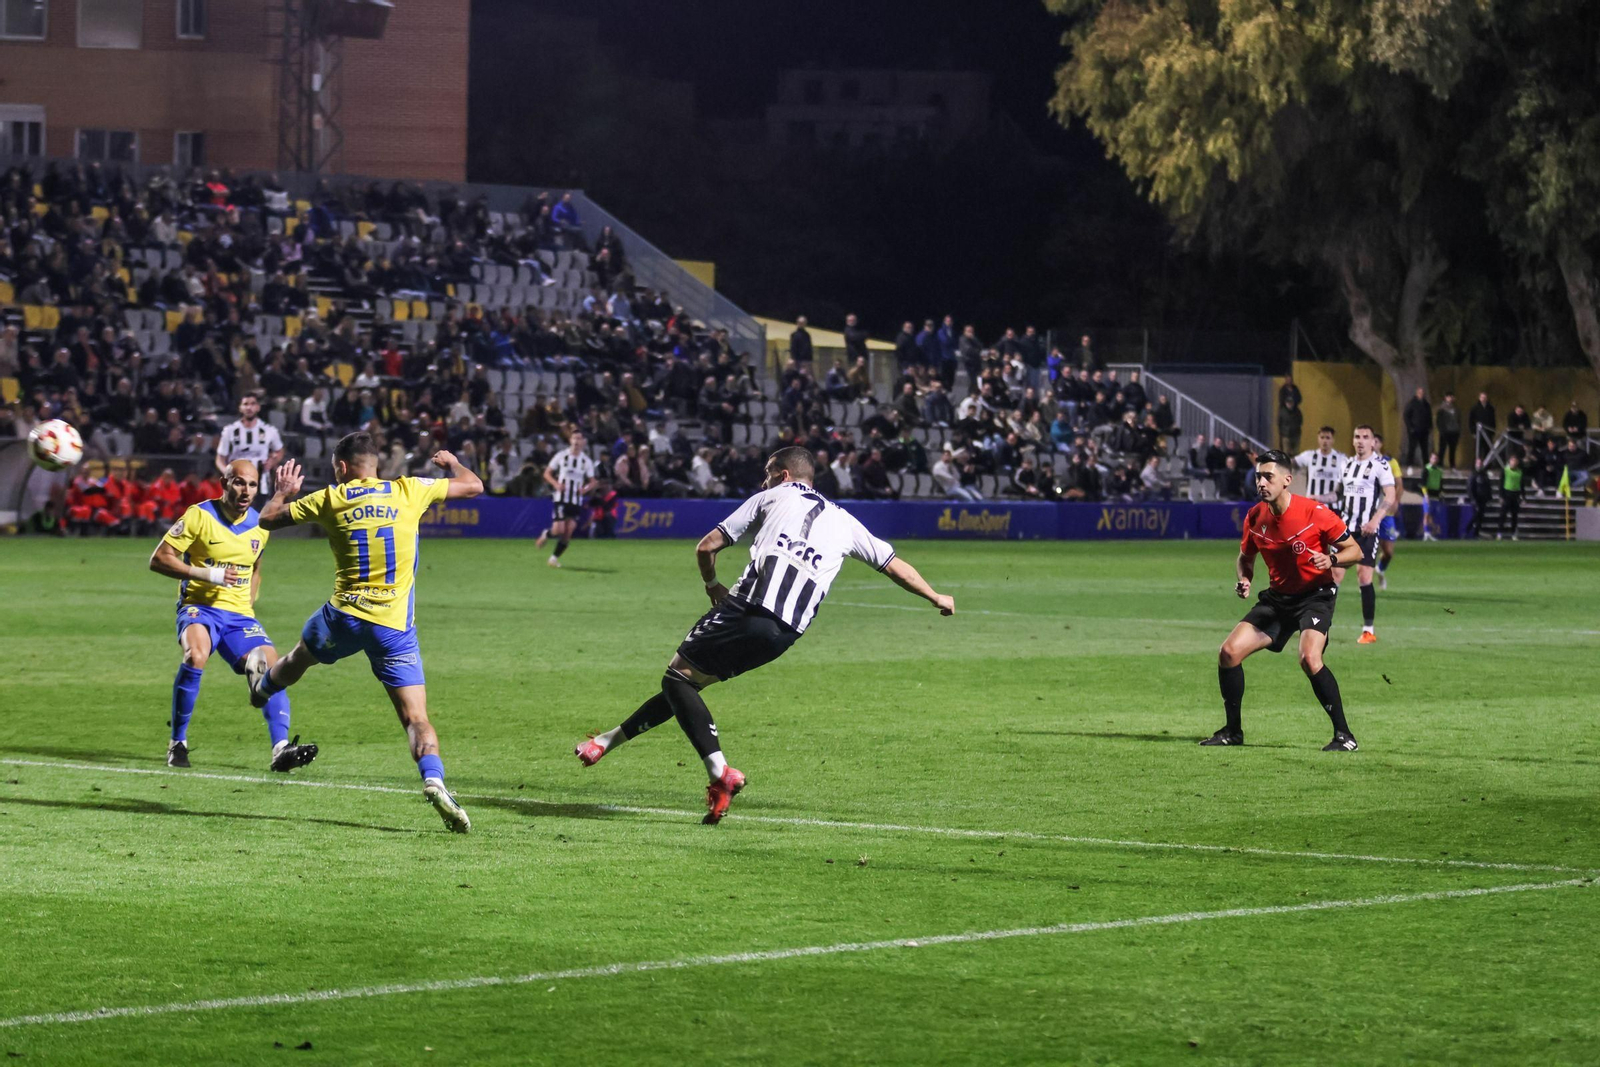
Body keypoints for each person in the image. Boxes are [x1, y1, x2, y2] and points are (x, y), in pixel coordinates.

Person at [572, 447, 955, 823]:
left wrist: (712, 586)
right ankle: (605, 742)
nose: (764, 479)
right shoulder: (847, 521)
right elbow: (893, 566)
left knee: (676, 679)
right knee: (686, 686)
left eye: (769, 472)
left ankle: (720, 772)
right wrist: (936, 595)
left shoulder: (770, 496)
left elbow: (706, 547)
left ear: (784, 476)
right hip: (785, 633)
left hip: (749, 607)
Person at [246, 433, 484, 833]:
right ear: (376, 464)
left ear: (340, 467)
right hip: (393, 628)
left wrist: (282, 491)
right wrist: (453, 464)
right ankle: (434, 779)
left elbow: (267, 520)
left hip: (343, 618)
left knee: (300, 657)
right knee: (415, 717)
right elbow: (474, 485)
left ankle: (263, 688)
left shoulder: (330, 498)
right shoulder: (408, 490)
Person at [147, 460, 317, 772]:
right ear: (224, 483)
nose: (246, 491)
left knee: (273, 667)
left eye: (252, 485)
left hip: (238, 616)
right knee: (195, 656)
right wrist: (206, 573)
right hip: (199, 608)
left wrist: (247, 606)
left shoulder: (259, 524)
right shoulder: (199, 515)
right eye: (239, 482)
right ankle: (178, 742)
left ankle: (281, 749)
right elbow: (158, 559)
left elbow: (256, 569)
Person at [1205, 450, 1363, 751]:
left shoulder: (1315, 512)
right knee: (1228, 653)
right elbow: (1245, 557)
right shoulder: (1255, 517)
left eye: (1268, 476)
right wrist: (1245, 578)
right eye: (1258, 477)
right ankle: (1233, 732)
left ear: (1287, 480)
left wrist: (1331, 559)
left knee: (1309, 658)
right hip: (1278, 599)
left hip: (1315, 597)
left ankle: (1344, 735)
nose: (1261, 482)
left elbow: (1355, 551)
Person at [1331, 425, 1396, 644]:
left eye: (1365, 437)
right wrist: (1316, 498)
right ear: (1352, 440)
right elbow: (1337, 494)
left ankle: (1368, 630)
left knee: (1364, 576)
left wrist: (1376, 520)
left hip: (1368, 531)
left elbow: (1391, 494)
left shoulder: (1380, 465)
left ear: (1372, 442)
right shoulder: (1346, 465)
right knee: (1334, 576)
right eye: (1357, 436)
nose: (1360, 441)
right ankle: (1321, 625)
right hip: (1345, 530)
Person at [535, 430, 598, 568]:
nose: (576, 441)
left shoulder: (586, 461)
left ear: (583, 442)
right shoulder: (561, 456)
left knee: (569, 531)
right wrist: (556, 484)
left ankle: (553, 558)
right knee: (559, 529)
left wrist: (584, 489)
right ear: (570, 440)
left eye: (579, 439)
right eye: (574, 438)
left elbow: (593, 482)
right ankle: (546, 534)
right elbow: (547, 473)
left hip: (576, 500)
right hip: (561, 498)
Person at [215, 394, 285, 500]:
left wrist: (272, 462)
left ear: (258, 407)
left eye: (253, 404)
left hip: (261, 482)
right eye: (245, 404)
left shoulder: (269, 430)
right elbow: (220, 458)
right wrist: (228, 473)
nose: (249, 407)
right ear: (240, 407)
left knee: (258, 514)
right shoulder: (230, 431)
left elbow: (280, 450)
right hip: (237, 482)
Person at [1370, 433, 1404, 589]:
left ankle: (1381, 570)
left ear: (1380, 444)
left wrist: (1396, 501)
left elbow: (1399, 485)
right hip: (1369, 513)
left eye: (1376, 441)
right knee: (1370, 549)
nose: (1373, 444)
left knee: (1388, 552)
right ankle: (1365, 582)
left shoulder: (1391, 462)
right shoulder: (1364, 463)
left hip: (1386, 512)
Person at [1293, 426, 1345, 503]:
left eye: (1328, 438)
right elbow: (1291, 462)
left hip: (1332, 507)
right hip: (1312, 505)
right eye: (1322, 437)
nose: (1324, 441)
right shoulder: (1309, 455)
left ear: (1333, 440)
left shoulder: (1341, 459)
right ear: (1318, 439)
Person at [1403, 388, 1432, 467]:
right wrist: (1410, 427)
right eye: (1419, 392)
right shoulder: (1412, 403)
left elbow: (1429, 416)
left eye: (1422, 393)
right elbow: (1406, 416)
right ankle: (1409, 465)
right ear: (1416, 393)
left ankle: (1426, 465)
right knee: (1412, 448)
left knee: (1424, 449)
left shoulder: (1426, 404)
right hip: (1414, 430)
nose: (1421, 394)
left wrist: (1429, 426)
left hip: (1424, 430)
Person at [1465, 459, 1494, 538]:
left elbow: (1488, 487)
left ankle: (1476, 533)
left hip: (1483, 499)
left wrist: (1489, 497)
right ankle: (1467, 530)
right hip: (1476, 499)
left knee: (1480, 517)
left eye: (1480, 463)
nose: (1479, 465)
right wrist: (1473, 499)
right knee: (1475, 516)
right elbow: (1470, 488)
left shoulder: (1484, 474)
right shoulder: (1473, 474)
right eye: (1478, 463)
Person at [1498, 454, 1524, 540]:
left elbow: (1521, 485)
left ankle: (1513, 533)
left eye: (1515, 461)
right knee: (1503, 515)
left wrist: (1523, 497)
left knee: (1514, 516)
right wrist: (1501, 496)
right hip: (1506, 494)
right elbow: (1501, 484)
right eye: (1512, 460)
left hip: (1515, 495)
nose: (1513, 462)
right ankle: (1499, 533)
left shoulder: (1520, 472)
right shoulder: (1505, 470)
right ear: (1509, 461)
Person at [1421, 453, 1444, 541]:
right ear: (1430, 459)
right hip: (1429, 495)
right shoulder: (1426, 469)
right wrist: (1425, 494)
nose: (1434, 460)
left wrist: (1441, 493)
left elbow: (1441, 483)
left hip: (1436, 496)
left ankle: (1431, 532)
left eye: (1436, 459)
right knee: (1426, 514)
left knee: (1433, 515)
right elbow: (1423, 483)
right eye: (1433, 458)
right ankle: (1426, 532)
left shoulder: (1439, 471)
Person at [1436, 393, 1461, 468]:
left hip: (1454, 431)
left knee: (1452, 449)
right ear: (1446, 398)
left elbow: (1459, 420)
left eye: (1452, 397)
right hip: (1445, 432)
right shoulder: (1442, 409)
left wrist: (1458, 429)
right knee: (1442, 449)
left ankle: (1452, 464)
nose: (1450, 399)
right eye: (1449, 397)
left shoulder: (1455, 408)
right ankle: (1440, 464)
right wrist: (1442, 430)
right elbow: (1439, 421)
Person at [1468, 392, 1497, 460]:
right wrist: (1473, 431)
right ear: (1479, 398)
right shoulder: (1474, 408)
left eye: (1485, 397)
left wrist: (1493, 431)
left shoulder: (1490, 408)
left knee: (1488, 449)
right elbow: (1471, 421)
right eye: (1482, 397)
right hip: (1478, 432)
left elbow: (1493, 420)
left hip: (1488, 432)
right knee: (1478, 449)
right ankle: (1477, 466)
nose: (1483, 399)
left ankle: (1487, 466)